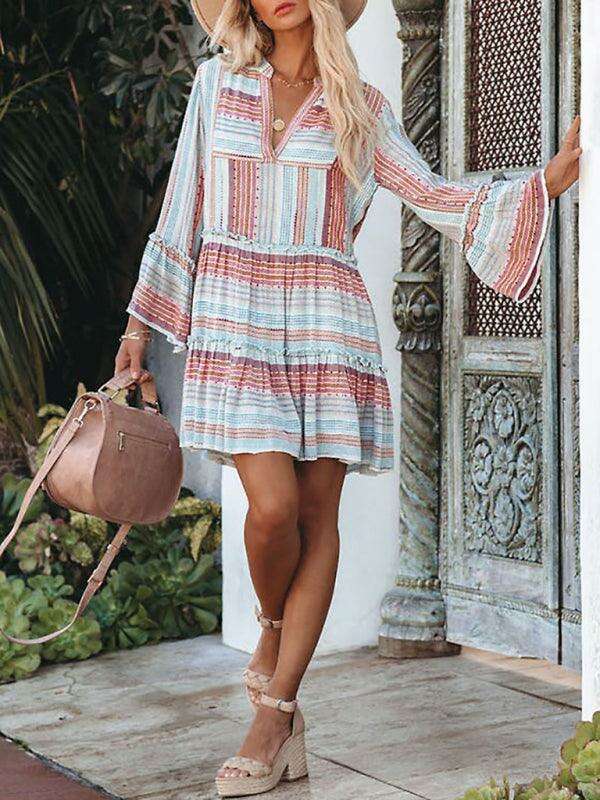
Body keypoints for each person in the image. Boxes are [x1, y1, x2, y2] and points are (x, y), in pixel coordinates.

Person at [115, 0, 581, 795]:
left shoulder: (361, 108)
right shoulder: (215, 86)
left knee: (315, 516)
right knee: (270, 509)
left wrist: (547, 182)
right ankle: (272, 629)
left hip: (327, 322)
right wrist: (138, 330)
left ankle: (276, 719)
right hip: (238, 319)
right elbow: (180, 215)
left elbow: (432, 195)